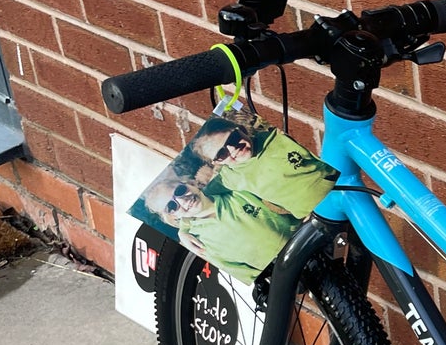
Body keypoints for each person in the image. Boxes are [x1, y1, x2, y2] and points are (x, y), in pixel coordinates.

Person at [137, 167, 290, 284]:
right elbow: (238, 269)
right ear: (172, 216)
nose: (183, 200)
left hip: (298, 239)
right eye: (172, 206)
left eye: (180, 190)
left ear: (190, 184)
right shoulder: (201, 242)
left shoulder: (232, 192)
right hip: (283, 271)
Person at [187, 111, 337, 219]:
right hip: (314, 216)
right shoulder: (229, 178)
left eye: (233, 138)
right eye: (221, 153)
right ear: (216, 162)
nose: (232, 149)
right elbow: (199, 197)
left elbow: (328, 157)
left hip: (337, 190)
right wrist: (184, 229)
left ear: (242, 130)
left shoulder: (277, 138)